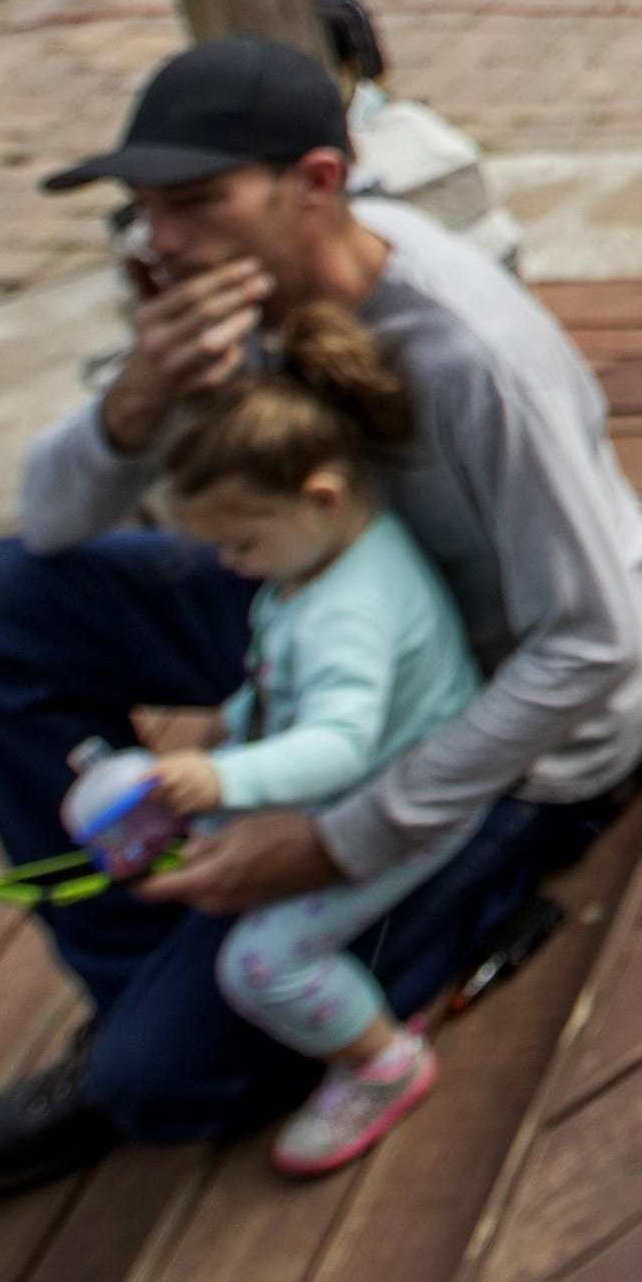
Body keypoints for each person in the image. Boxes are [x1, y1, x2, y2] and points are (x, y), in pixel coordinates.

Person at [0, 35, 642, 1192]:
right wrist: (140, 394)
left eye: (192, 203)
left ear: (316, 182)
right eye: (141, 210)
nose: (157, 239)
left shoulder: (470, 354)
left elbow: (594, 640)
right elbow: (52, 520)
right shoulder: (234, 289)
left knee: (157, 1089)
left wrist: (339, 835)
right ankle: (141, 972)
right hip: (325, 615)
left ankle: (181, 1021)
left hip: (506, 724)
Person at [125, 301, 484, 1176]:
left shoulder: (346, 612)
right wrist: (219, 738)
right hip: (340, 778)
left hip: (402, 804)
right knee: (197, 860)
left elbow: (339, 748)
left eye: (242, 543)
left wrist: (221, 782)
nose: (231, 565)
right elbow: (275, 677)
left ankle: (381, 1064)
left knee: (260, 965)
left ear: (319, 497)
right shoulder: (320, 554)